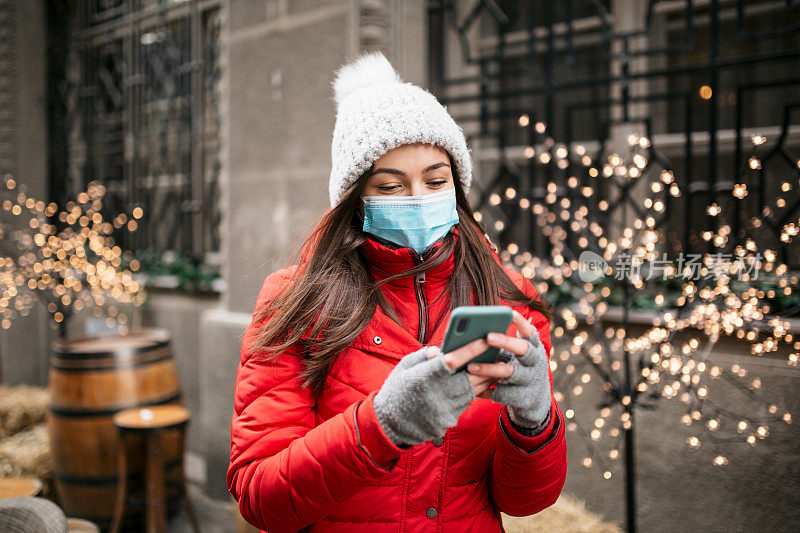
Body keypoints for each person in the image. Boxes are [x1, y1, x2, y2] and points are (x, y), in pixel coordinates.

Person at [227, 50, 567, 533]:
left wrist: (534, 421)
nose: (418, 199)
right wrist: (382, 425)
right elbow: (261, 499)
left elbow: (524, 501)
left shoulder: (507, 297)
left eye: (436, 180)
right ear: (355, 199)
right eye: (390, 187)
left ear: (458, 187)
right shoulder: (295, 302)